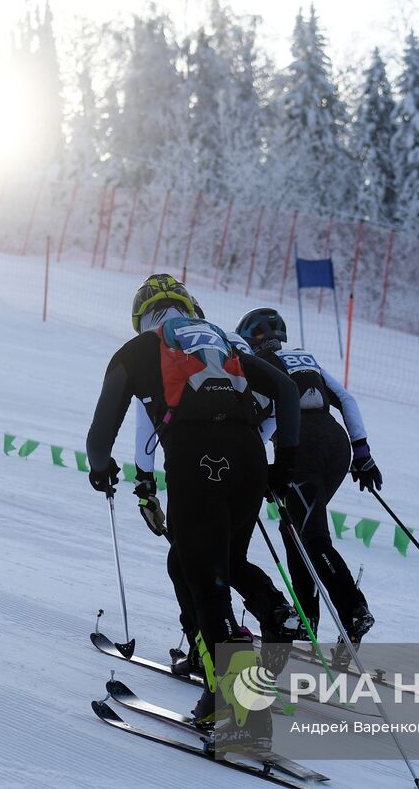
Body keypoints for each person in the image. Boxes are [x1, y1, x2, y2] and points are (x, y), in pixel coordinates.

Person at [87, 275, 302, 753]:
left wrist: (101, 470)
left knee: (204, 581)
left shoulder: (139, 348)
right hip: (248, 459)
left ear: (142, 317)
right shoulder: (222, 339)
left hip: (194, 458)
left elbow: (100, 435)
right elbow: (286, 392)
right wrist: (281, 468)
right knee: (212, 565)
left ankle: (245, 713)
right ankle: (221, 690)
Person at [131, 328, 303, 681]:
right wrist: (274, 460)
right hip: (248, 460)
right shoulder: (225, 345)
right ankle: (273, 611)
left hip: (199, 465)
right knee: (225, 560)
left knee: (191, 563)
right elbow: (277, 398)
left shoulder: (166, 351)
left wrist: (145, 485)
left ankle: (217, 665)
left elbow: (144, 429)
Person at [235, 307, 381, 656]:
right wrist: (362, 452)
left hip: (303, 447)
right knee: (297, 532)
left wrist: (259, 464)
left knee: (310, 539)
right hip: (337, 445)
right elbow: (345, 398)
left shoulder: (262, 366)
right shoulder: (305, 357)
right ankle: (310, 619)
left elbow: (271, 412)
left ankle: (352, 609)